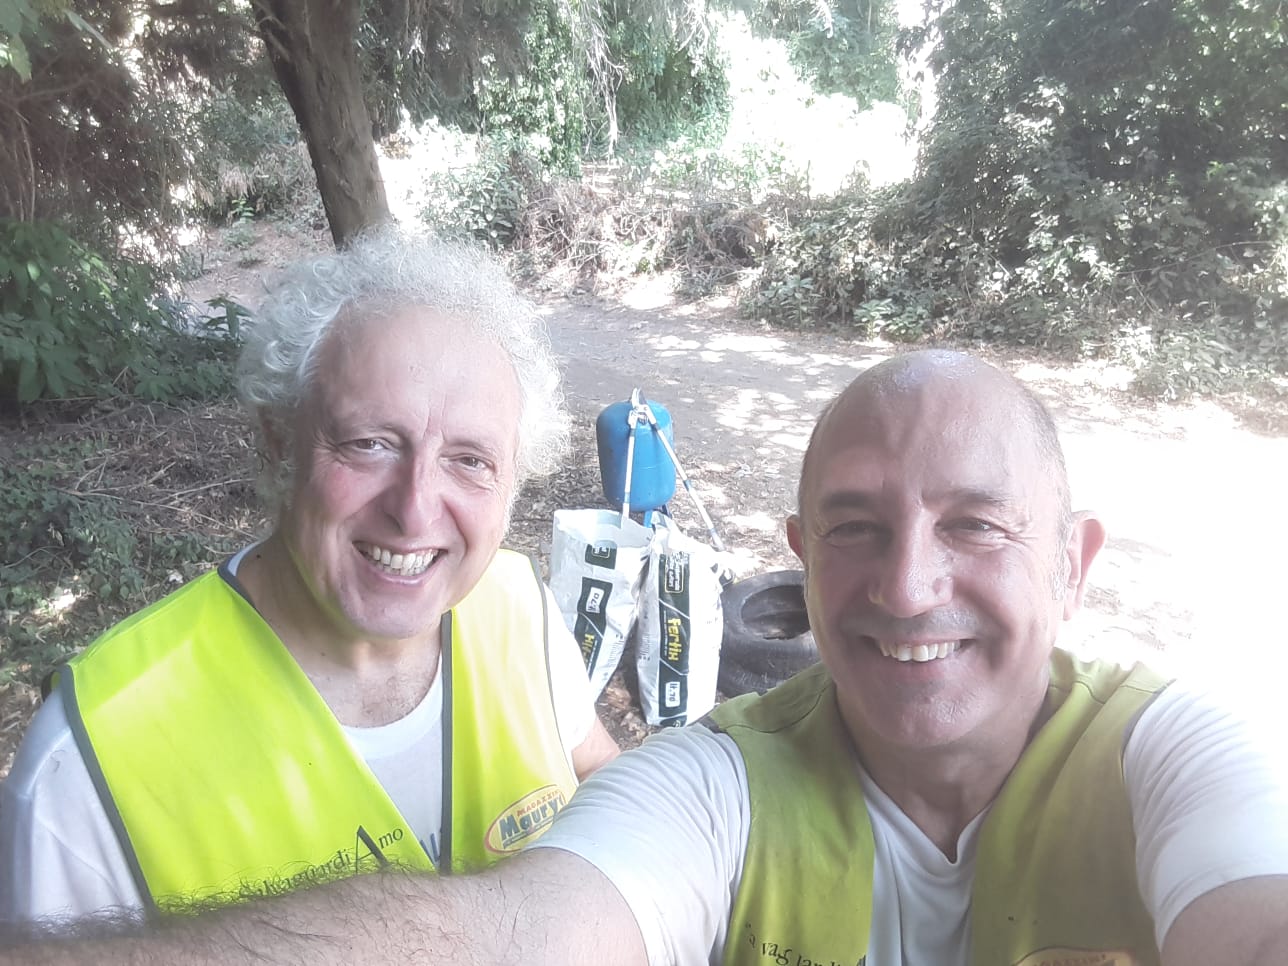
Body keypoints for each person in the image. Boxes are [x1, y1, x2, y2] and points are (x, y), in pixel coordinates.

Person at [4, 349, 1287, 966]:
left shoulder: (1168, 759)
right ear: (800, 557)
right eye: (854, 527)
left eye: (977, 526)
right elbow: (519, 929)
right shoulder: (721, 783)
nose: (906, 585)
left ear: (1072, 563)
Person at [0, 226, 619, 925]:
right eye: (370, 443)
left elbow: (598, 773)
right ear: (279, 443)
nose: (415, 511)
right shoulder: (90, 760)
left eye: (471, 460)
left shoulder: (519, 607)